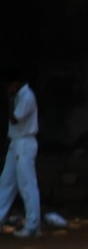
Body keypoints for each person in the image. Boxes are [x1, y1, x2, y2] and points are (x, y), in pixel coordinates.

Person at [0, 71, 41, 238]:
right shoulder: (19, 95)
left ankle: (32, 226)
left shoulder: (27, 96)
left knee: (27, 185)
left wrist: (10, 100)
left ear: (16, 83)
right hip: (16, 142)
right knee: (6, 182)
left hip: (25, 143)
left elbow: (15, 118)